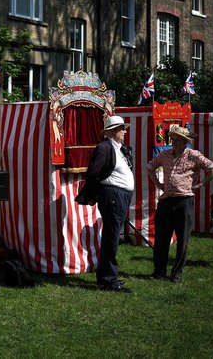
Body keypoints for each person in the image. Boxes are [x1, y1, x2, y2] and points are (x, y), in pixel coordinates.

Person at [147, 125, 213, 283]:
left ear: (186, 142)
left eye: (178, 140)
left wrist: (201, 184)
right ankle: (159, 271)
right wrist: (158, 184)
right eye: (173, 139)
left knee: (183, 238)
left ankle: (177, 273)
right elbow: (150, 166)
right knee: (161, 238)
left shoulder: (193, 155)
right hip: (166, 201)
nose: (174, 142)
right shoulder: (165, 154)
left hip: (184, 200)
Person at [75, 115, 135, 293]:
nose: (124, 131)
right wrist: (95, 193)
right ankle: (109, 279)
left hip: (120, 194)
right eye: (122, 128)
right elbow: (93, 173)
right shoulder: (104, 147)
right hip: (113, 194)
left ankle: (105, 276)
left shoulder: (119, 148)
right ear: (114, 131)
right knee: (112, 236)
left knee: (112, 235)